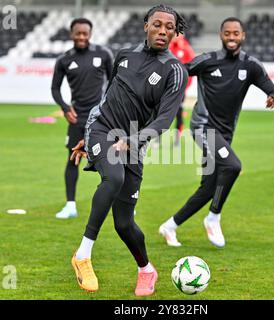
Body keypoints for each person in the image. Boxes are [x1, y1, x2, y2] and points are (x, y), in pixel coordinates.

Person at [69, 4, 187, 296]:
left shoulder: (174, 71)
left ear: (175, 32)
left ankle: (146, 269)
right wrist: (90, 136)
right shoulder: (123, 56)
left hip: (133, 145)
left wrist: (134, 141)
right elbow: (109, 97)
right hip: (103, 130)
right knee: (114, 178)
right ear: (146, 25)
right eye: (157, 24)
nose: (162, 31)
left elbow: (165, 119)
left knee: (124, 223)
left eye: (169, 27)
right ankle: (83, 255)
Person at [159, 17, 274, 248]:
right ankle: (213, 217)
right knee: (233, 166)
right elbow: (180, 72)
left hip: (224, 135)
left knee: (208, 188)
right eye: (227, 33)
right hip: (203, 128)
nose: (232, 38)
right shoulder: (207, 61)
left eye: (236, 33)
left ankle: (170, 226)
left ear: (243, 36)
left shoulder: (251, 65)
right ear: (221, 35)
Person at [51, 18, 113, 219]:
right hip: (77, 118)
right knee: (73, 159)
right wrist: (64, 107)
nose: (81, 37)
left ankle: (121, 203)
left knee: (111, 160)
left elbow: (114, 83)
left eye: (85, 33)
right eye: (78, 33)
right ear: (71, 34)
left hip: (101, 118)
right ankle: (70, 206)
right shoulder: (64, 60)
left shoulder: (103, 54)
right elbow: (55, 88)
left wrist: (110, 108)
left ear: (90, 33)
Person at [168, 34, 195, 145]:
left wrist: (185, 87)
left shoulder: (186, 49)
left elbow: (191, 70)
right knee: (159, 112)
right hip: (166, 88)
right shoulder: (168, 47)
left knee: (178, 112)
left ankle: (177, 137)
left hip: (180, 88)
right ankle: (157, 137)